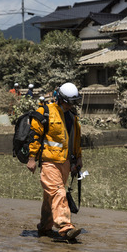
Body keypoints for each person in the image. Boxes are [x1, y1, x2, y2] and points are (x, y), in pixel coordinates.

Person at [26, 82, 83, 241]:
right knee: (58, 192)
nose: (70, 105)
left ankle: (45, 227)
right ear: (61, 99)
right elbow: (34, 136)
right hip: (49, 162)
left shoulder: (72, 117)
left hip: (65, 163)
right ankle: (65, 226)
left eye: (73, 102)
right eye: (68, 102)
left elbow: (75, 140)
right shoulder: (45, 113)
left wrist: (78, 158)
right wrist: (32, 158)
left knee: (50, 197)